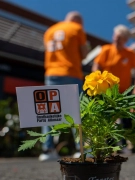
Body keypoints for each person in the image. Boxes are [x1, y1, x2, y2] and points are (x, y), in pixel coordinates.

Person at [39, 11, 88, 161]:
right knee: (77, 111)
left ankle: (47, 150)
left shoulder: (50, 31)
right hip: (71, 72)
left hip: (52, 73)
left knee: (49, 112)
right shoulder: (77, 29)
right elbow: (84, 53)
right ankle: (82, 149)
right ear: (78, 21)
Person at [92, 25, 135, 154]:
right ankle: (110, 145)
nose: (116, 39)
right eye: (115, 35)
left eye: (119, 37)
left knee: (125, 118)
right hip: (107, 91)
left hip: (124, 92)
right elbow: (96, 67)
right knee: (107, 118)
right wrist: (98, 83)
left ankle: (124, 145)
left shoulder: (130, 54)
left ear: (125, 40)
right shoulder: (106, 50)